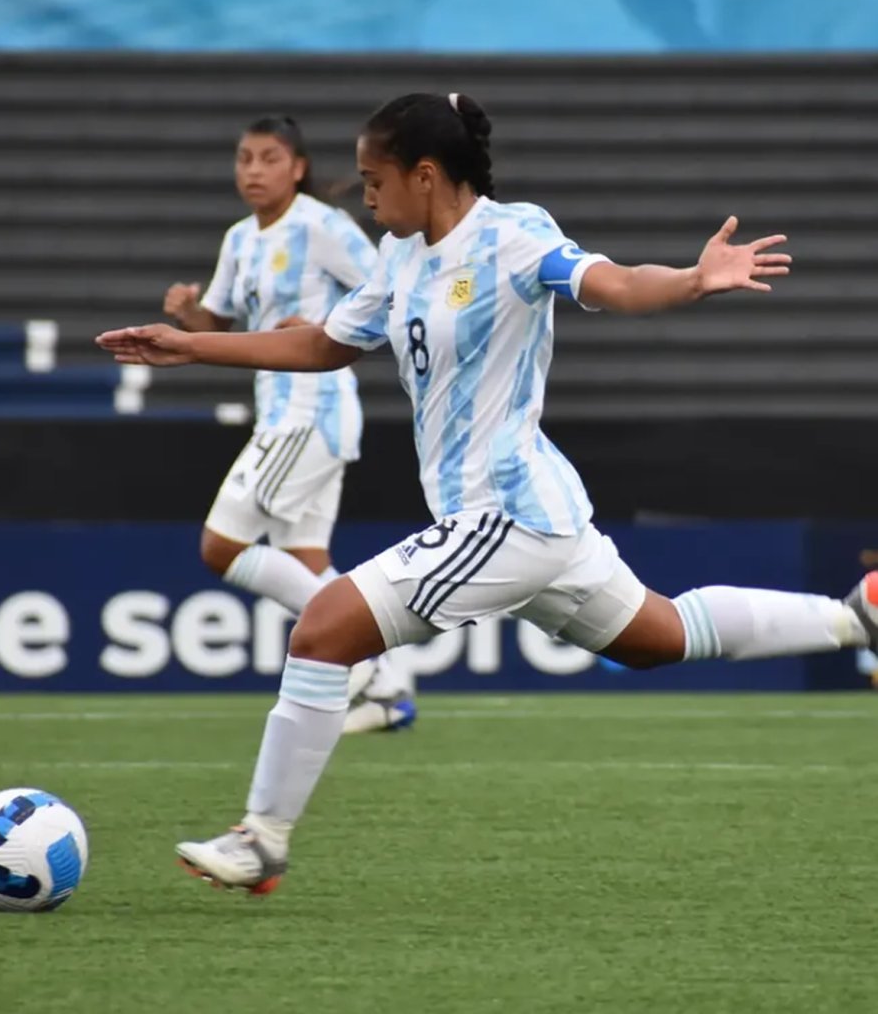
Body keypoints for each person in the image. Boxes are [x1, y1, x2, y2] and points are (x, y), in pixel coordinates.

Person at [98, 92, 878, 897]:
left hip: (504, 513)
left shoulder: (514, 236)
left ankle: (261, 838)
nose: (364, 196)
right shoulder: (399, 258)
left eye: (374, 179)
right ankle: (858, 613)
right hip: (538, 517)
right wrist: (194, 345)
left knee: (323, 631)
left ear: (425, 176)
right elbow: (326, 343)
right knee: (659, 636)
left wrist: (688, 281)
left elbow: (611, 283)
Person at [162, 113, 416, 734]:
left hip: (309, 409)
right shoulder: (240, 239)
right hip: (284, 410)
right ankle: (389, 689)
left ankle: (362, 666)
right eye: (245, 158)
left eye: (269, 158)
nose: (254, 170)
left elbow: (394, 288)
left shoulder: (321, 226)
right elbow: (217, 329)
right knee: (305, 558)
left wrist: (324, 327)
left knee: (221, 547)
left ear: (297, 167)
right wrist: (189, 313)